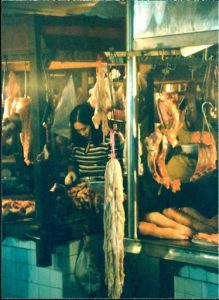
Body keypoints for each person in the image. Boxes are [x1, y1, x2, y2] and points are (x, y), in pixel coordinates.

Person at [65, 102, 124, 186]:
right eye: (78, 131)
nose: (82, 133)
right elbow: (72, 162)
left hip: (106, 188)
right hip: (82, 188)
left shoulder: (108, 139)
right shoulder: (74, 143)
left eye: (84, 129)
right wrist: (71, 172)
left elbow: (116, 168)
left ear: (92, 123)